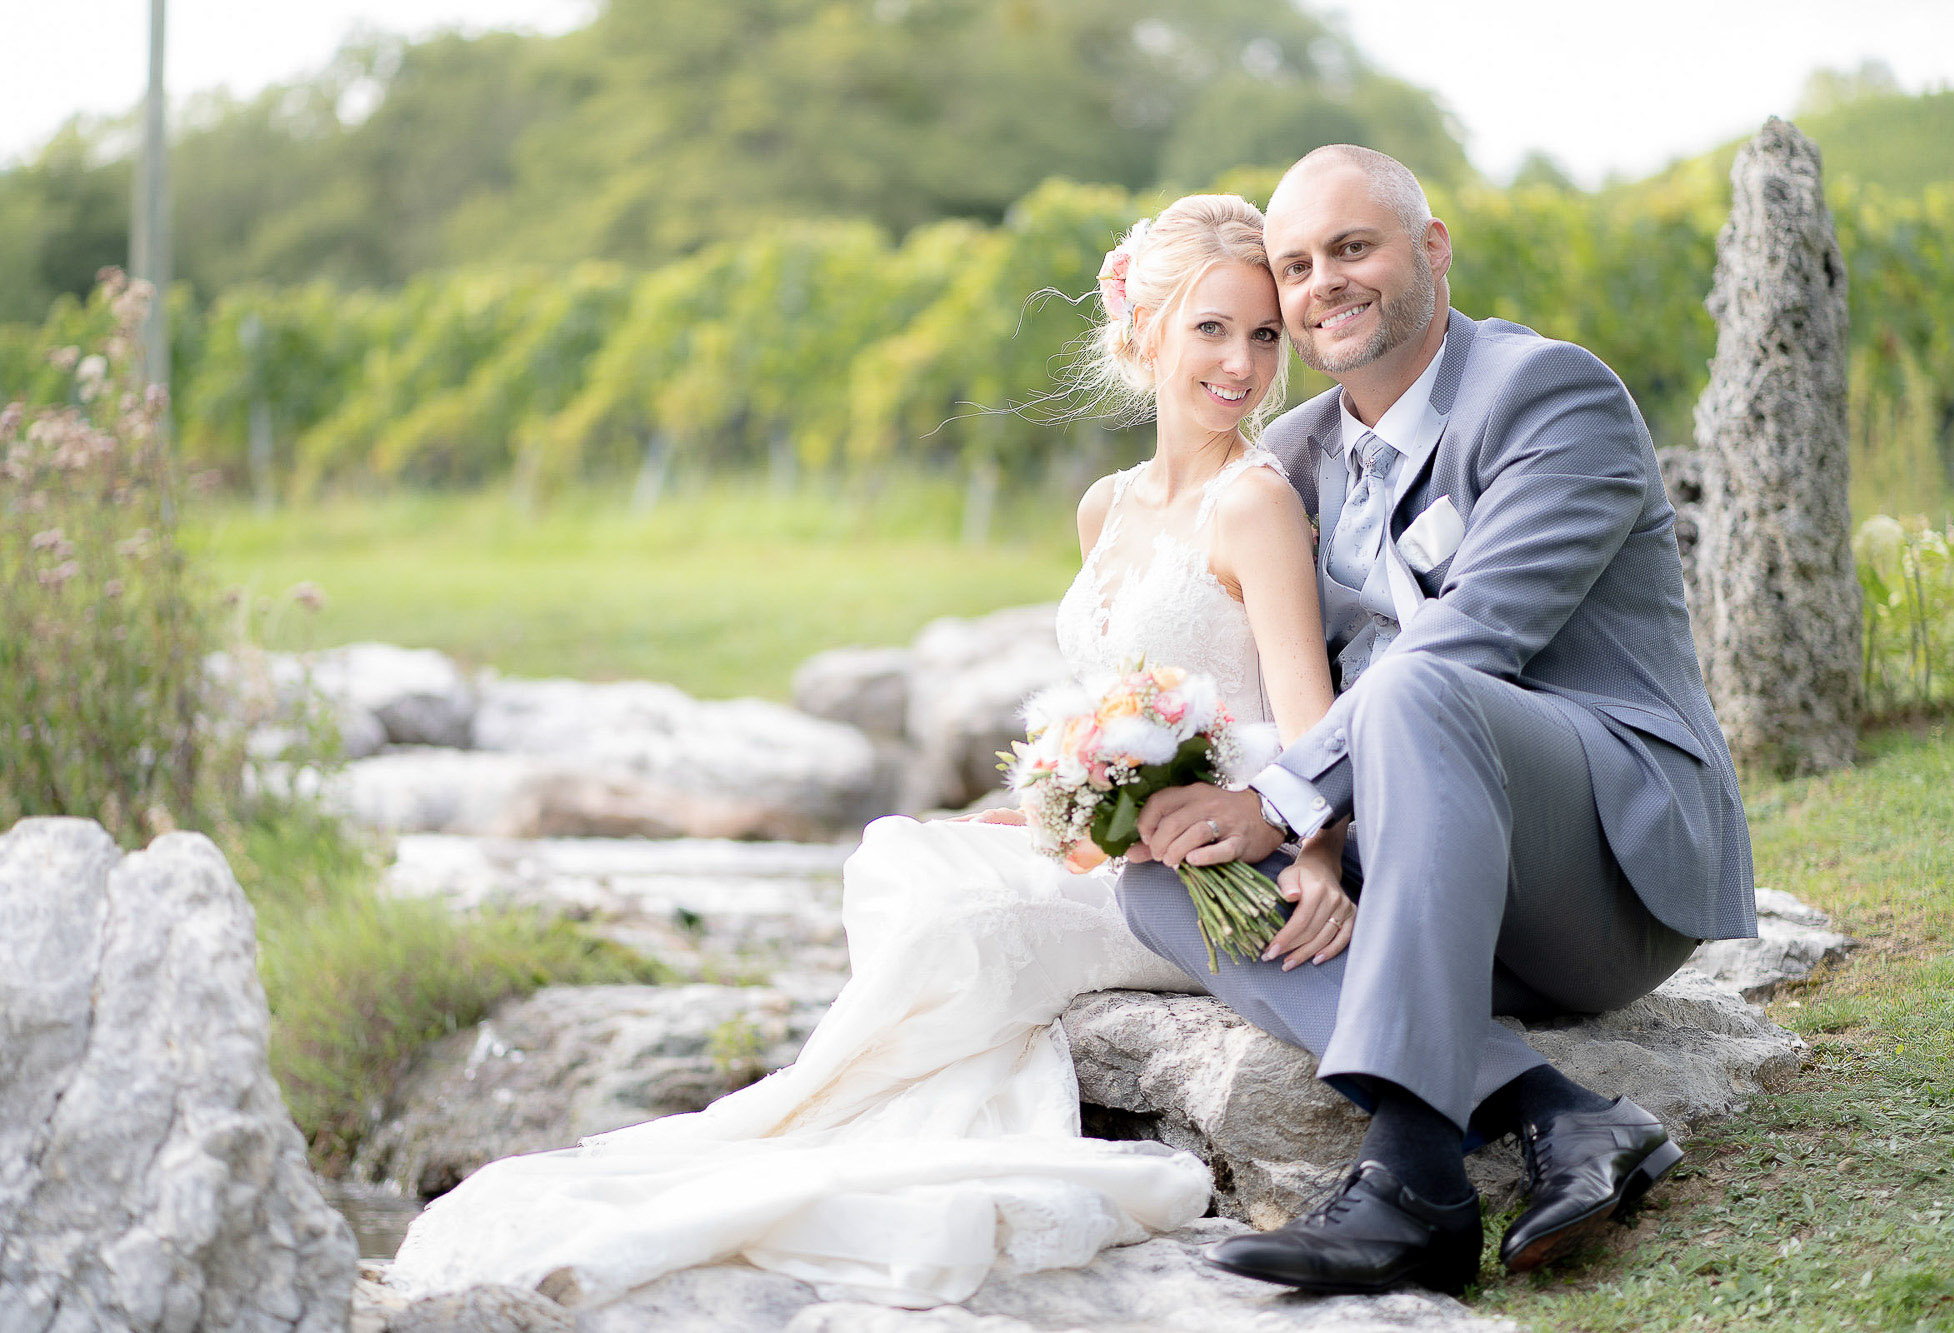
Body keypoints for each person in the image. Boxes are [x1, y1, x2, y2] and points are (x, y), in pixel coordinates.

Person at [387, 194, 1346, 1310]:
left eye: (1264, 334)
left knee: (943, 907)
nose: (1241, 363)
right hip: (1117, 855)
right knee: (901, 852)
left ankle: (831, 1136)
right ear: (1141, 331)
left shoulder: (1255, 504)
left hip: (1208, 868)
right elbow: (1106, 704)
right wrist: (1063, 809)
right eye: (1211, 329)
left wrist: (1312, 857)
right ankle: (815, 1127)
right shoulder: (1106, 508)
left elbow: (1309, 722)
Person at [1117, 145, 1758, 1296]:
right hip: (1430, 878)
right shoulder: (1298, 456)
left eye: (1351, 248)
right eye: (1296, 265)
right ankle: (1551, 1105)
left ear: (1431, 249)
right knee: (1162, 877)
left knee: (1416, 678)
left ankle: (1414, 1182)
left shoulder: (1548, 395)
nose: (1322, 285)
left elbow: (1471, 644)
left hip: (1598, 870)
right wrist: (1233, 818)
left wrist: (1277, 804)